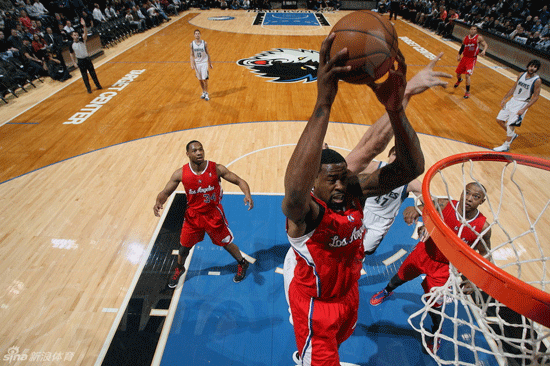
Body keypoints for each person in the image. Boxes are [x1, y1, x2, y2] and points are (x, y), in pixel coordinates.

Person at [282, 33, 425, 365]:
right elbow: (294, 192)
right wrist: (323, 102)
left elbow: (410, 167)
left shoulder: (351, 190)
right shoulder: (305, 214)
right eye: (332, 178)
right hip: (315, 302)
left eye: (344, 176)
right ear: (313, 182)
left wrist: (395, 111)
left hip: (347, 296)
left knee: (342, 340)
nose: (341, 184)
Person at [370, 182, 492, 352]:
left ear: (482, 201)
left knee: (435, 304)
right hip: (425, 252)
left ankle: (436, 331)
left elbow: (485, 254)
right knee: (399, 277)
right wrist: (415, 210)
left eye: (476, 197)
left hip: (444, 267)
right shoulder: (446, 203)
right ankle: (387, 290)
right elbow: (424, 206)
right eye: (467, 193)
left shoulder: (483, 227)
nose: (469, 198)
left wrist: (474, 279)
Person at [154, 140, 254, 287]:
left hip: (213, 214)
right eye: (194, 151)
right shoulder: (181, 173)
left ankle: (242, 262)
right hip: (193, 216)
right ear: (187, 154)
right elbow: (165, 192)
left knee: (226, 243)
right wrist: (158, 202)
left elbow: (239, 180)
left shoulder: (216, 168)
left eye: (201, 149)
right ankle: (180, 268)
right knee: (184, 247)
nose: (199, 152)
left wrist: (247, 195)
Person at [359, 146, 422, 256]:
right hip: (363, 211)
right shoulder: (375, 167)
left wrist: (417, 209)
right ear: (389, 155)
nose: (397, 160)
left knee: (363, 251)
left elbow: (432, 202)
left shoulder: (411, 182)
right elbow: (348, 172)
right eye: (394, 155)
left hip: (381, 223)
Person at [493, 60, 541, 152]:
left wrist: (524, 109)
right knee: (499, 119)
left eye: (535, 67)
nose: (532, 68)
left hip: (522, 103)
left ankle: (506, 145)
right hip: (513, 100)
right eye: (531, 66)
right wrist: (505, 98)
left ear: (537, 69)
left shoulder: (537, 80)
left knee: (511, 124)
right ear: (528, 66)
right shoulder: (521, 75)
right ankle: (513, 135)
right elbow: (514, 87)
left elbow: (536, 97)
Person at [69, 18, 103, 94]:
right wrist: (74, 62)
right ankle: (88, 89)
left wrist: (84, 26)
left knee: (93, 73)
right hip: (80, 61)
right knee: (84, 76)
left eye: (77, 34)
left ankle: (98, 85)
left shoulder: (82, 39)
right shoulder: (71, 44)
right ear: (72, 36)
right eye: (74, 35)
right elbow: (71, 53)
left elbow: (85, 36)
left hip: (87, 59)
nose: (76, 36)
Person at [454, 25, 488, 99]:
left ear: (476, 31)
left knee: (467, 75)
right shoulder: (465, 38)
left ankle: (467, 92)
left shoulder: (479, 38)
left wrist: (484, 50)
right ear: (469, 30)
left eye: (474, 29)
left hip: (472, 59)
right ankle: (459, 80)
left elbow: (485, 45)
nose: (472, 30)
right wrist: (459, 55)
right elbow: (462, 47)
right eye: (471, 29)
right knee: (458, 73)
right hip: (464, 58)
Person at [190, 29, 212, 101]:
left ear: (200, 35)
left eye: (198, 33)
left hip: (204, 63)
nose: (197, 35)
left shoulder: (204, 43)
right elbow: (191, 55)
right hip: (197, 64)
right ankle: (203, 92)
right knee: (200, 80)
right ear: (194, 35)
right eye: (196, 34)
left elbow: (208, 53)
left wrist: (210, 63)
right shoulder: (192, 44)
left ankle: (206, 93)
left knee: (205, 79)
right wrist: (192, 64)